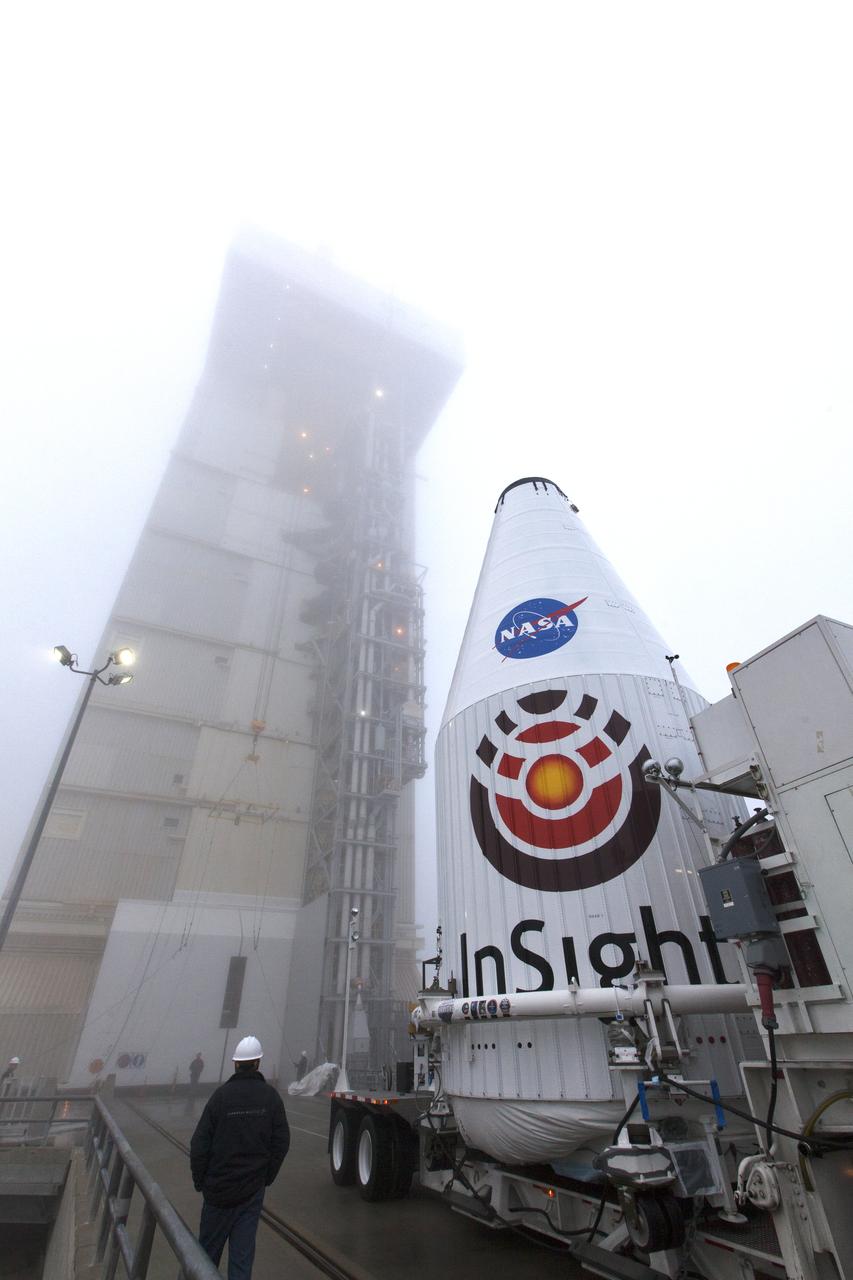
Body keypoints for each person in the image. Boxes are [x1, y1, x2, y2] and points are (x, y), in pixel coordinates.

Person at [190, 1035, 289, 1280]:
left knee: (205, 1256)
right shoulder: (270, 1097)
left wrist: (200, 1181)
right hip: (251, 1193)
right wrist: (266, 1176)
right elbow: (282, 1141)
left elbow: (199, 1143)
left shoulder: (220, 1097)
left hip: (217, 1193)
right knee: (242, 1261)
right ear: (257, 1063)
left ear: (236, 1064)